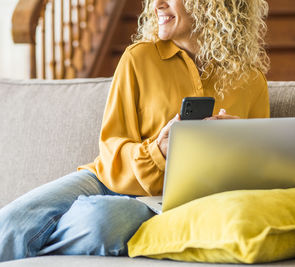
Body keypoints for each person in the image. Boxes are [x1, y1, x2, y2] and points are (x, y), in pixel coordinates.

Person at [0, 0, 270, 261]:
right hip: (108, 181)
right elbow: (111, 149)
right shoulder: (138, 58)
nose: (157, 5)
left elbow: (260, 173)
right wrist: (159, 151)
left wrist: (239, 141)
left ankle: (45, 241)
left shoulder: (250, 80)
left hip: (163, 202)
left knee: (105, 220)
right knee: (12, 220)